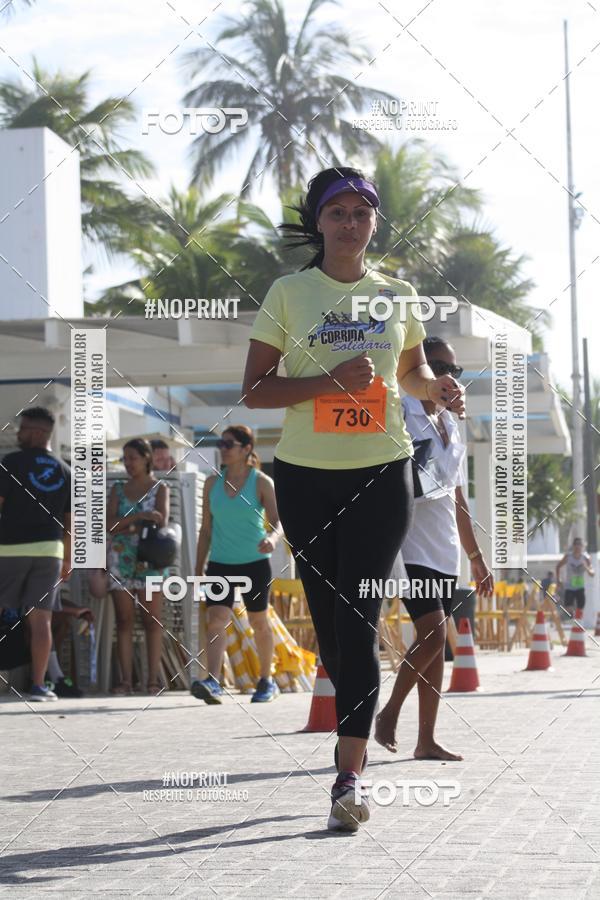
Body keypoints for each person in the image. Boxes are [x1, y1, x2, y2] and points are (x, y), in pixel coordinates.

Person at [242, 166, 465, 832]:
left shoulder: (398, 295)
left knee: (361, 616)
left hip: (381, 474)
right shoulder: (289, 292)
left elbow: (413, 373)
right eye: (336, 213)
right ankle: (351, 733)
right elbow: (255, 390)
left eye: (360, 212)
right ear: (318, 223)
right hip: (307, 478)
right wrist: (328, 381)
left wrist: (438, 391)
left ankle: (348, 778)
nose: (349, 223)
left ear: (374, 222)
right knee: (335, 635)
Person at [374, 336, 494, 760]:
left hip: (444, 547)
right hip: (408, 544)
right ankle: (388, 713)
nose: (446, 377)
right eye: (438, 366)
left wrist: (476, 557)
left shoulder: (453, 423)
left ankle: (426, 740)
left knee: (435, 646)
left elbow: (458, 497)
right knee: (433, 633)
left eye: (453, 371)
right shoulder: (399, 412)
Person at [192, 425, 283, 704]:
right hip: (220, 563)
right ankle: (214, 681)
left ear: (246, 449)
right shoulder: (211, 483)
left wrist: (272, 539)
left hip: (254, 562)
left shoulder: (261, 482)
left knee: (259, 621)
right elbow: (206, 530)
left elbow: (280, 522)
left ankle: (266, 681)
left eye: (228, 444)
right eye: (220, 443)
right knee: (215, 620)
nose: (222, 448)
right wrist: (198, 568)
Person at [0, 407, 71, 701]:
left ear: (40, 432)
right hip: (51, 552)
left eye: (24, 427)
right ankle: (39, 686)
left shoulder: (11, 462)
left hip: (10, 549)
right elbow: (71, 521)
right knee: (40, 620)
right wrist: (67, 558)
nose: (18, 432)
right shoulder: (66, 470)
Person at [107, 438, 169, 695]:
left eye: (133, 457)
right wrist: (139, 517)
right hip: (120, 559)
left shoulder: (159, 487)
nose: (128, 463)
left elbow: (161, 521)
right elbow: (110, 525)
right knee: (123, 620)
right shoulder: (118, 488)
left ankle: (152, 681)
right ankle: (126, 681)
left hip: (150, 560)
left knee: (152, 621)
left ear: (147, 458)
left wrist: (128, 524)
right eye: (125, 458)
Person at [556, 537, 594, 616]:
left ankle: (578, 624)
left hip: (580, 586)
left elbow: (592, 573)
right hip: (569, 587)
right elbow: (558, 566)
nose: (578, 546)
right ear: (573, 546)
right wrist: (558, 579)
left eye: (579, 544)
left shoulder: (585, 558)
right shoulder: (568, 557)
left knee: (580, 608)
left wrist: (586, 567)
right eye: (576, 544)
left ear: (582, 546)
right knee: (568, 609)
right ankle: (573, 618)